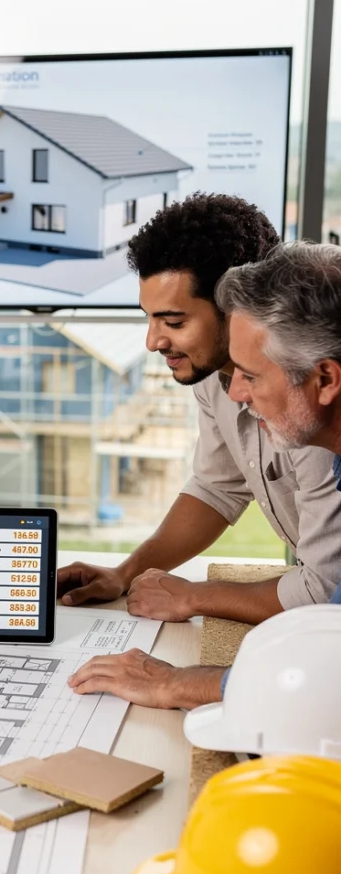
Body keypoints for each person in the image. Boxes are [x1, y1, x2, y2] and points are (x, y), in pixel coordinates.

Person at [68, 241, 341, 708]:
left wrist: (176, 682)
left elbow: (325, 670)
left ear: (326, 380)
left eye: (250, 376)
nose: (235, 391)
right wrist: (126, 573)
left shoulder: (320, 445)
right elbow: (218, 485)